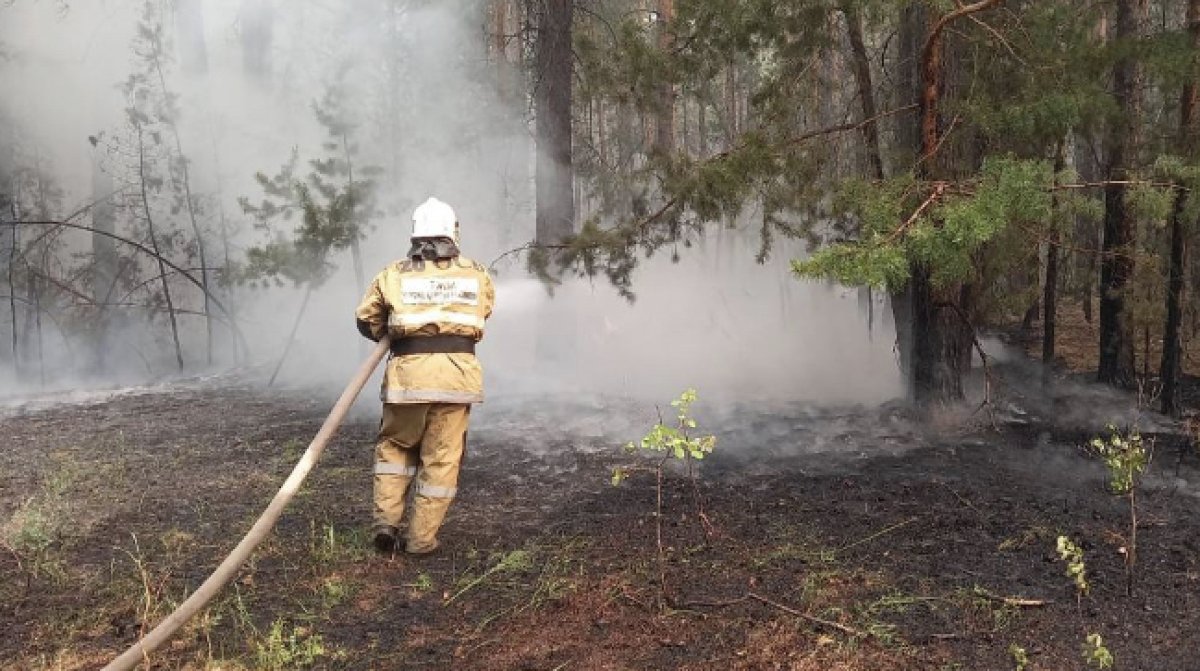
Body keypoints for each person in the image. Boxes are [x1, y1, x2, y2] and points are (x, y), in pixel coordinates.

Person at [354, 197, 494, 555]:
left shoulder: (393, 274)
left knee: (396, 449)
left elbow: (366, 317)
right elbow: (485, 310)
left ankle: (386, 523)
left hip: (408, 380)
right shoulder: (476, 273)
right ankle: (421, 540)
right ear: (453, 232)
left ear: (416, 235)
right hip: (456, 380)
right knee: (441, 459)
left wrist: (394, 330)